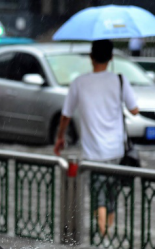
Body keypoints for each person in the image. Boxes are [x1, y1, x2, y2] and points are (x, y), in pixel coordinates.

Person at [53, 39, 140, 238]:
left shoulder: (79, 82)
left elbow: (66, 115)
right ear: (111, 57)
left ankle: (101, 237)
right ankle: (108, 233)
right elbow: (134, 110)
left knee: (98, 196)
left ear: (91, 58)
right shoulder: (120, 79)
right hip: (116, 150)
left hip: (93, 152)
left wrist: (60, 138)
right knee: (111, 196)